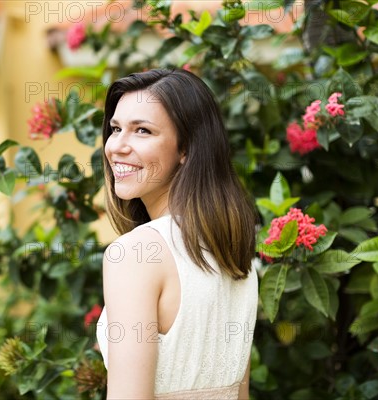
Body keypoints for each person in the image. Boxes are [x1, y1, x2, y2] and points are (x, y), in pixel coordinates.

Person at [95, 68, 259, 399]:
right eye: (115, 129)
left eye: (142, 130)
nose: (118, 146)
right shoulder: (233, 249)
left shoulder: (135, 254)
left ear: (185, 149)